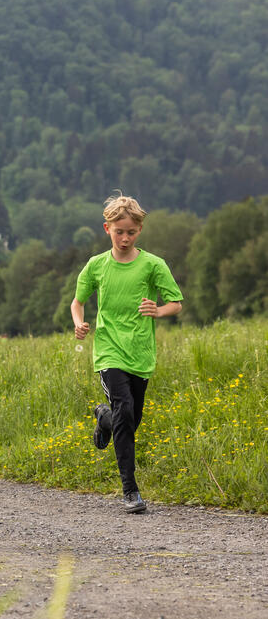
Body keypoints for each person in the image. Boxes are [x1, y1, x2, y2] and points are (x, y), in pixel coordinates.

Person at [70, 193, 183, 514]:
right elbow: (77, 302)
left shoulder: (153, 265)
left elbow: (176, 302)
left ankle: (103, 419)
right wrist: (79, 324)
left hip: (141, 352)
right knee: (125, 408)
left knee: (130, 419)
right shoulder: (96, 265)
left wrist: (158, 311)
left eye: (130, 232)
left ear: (139, 231)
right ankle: (130, 491)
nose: (124, 238)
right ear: (107, 229)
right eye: (118, 231)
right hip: (108, 350)